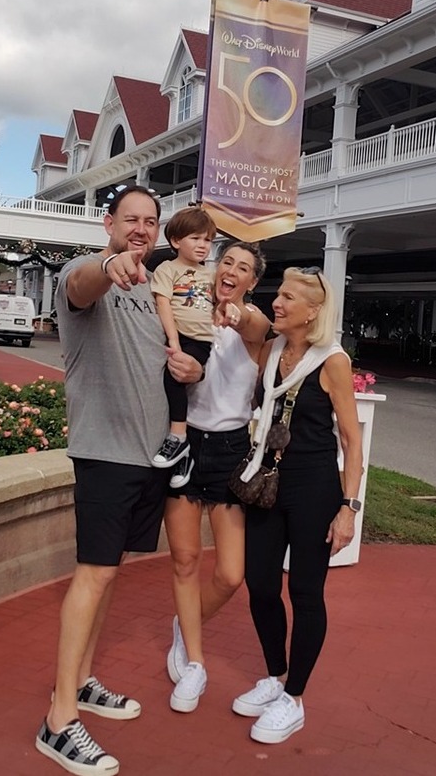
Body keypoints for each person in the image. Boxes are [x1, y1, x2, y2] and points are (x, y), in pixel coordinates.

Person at [35, 185, 197, 776]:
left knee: (110, 575)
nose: (141, 229)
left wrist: (190, 367)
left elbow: (171, 362)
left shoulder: (155, 291)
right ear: (109, 222)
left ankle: (78, 683)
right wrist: (110, 264)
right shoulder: (90, 273)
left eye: (150, 221)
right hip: (104, 453)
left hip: (147, 459)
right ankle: (57, 721)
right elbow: (83, 281)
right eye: (131, 219)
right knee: (95, 573)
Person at [231, 267, 363, 744]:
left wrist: (348, 507)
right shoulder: (271, 351)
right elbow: (242, 321)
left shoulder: (332, 361)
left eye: (288, 297)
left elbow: (351, 439)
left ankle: (296, 698)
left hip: (314, 488)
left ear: (313, 312)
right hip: (268, 484)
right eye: (278, 294)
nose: (278, 303)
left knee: (306, 593)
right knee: (260, 584)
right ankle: (274, 674)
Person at [163, 241, 270, 714]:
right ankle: (195, 663)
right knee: (185, 561)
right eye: (226, 261)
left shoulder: (253, 327)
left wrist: (235, 312)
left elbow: (258, 325)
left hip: (230, 451)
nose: (231, 270)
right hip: (185, 443)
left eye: (243, 268)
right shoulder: (188, 309)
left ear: (252, 281)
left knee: (230, 574)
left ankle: (184, 627)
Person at [151, 207, 217, 490]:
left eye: (207, 240)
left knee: (183, 384)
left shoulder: (212, 274)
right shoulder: (168, 269)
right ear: (176, 241)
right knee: (172, 383)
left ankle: (178, 440)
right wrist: (174, 341)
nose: (203, 245)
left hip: (205, 341)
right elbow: (163, 303)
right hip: (181, 338)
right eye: (196, 238)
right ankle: (180, 447)